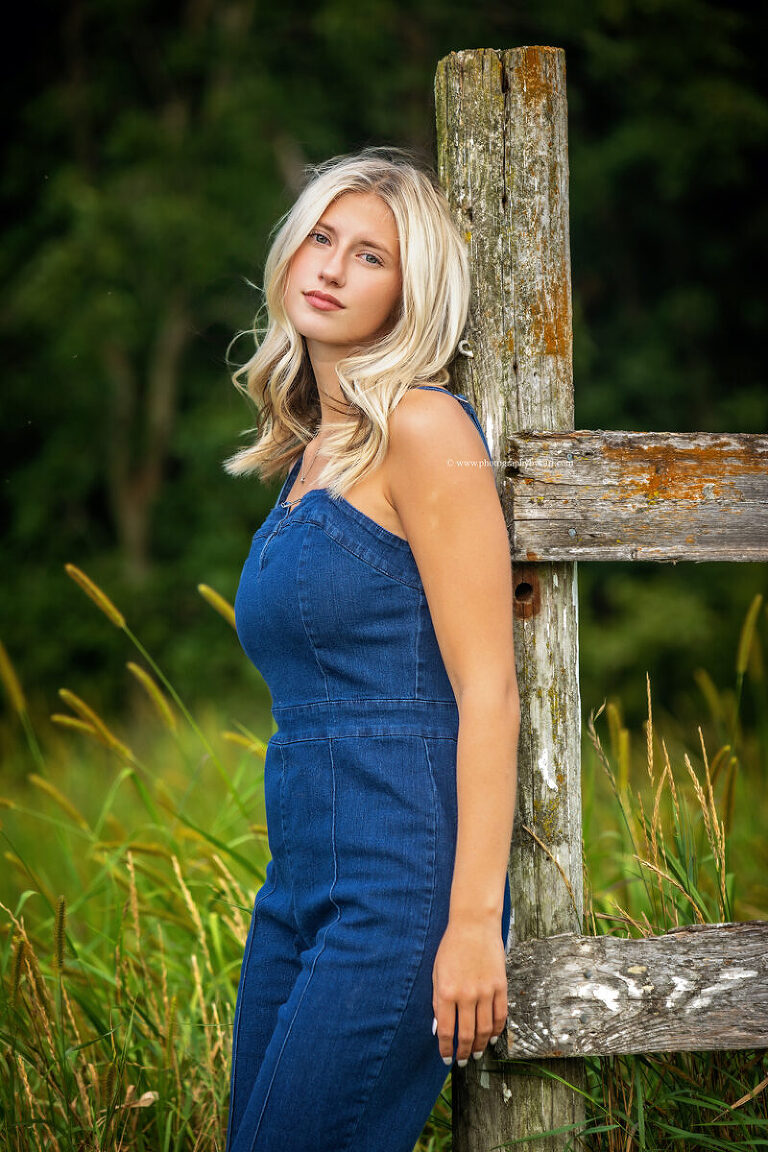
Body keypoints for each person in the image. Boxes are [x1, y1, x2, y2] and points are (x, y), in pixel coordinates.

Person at [223, 146, 520, 1152]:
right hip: (297, 890)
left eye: (370, 257)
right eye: (320, 238)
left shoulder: (426, 430)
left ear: (410, 292)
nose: (332, 267)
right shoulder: (308, 455)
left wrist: (473, 922)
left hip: (400, 893)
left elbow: (488, 688)